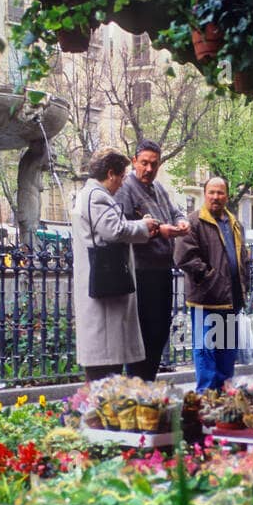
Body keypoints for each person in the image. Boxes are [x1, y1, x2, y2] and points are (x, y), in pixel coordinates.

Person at [70, 147, 179, 382]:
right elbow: (114, 230)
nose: (122, 183)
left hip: (109, 284)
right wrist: (145, 226)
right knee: (104, 369)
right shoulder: (96, 196)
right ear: (111, 174)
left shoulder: (93, 195)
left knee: (110, 364)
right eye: (121, 176)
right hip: (105, 287)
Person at [114, 139, 191, 380]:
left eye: (154, 164)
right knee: (143, 334)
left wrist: (181, 221)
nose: (149, 169)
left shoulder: (158, 188)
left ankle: (148, 383)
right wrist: (159, 231)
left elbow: (175, 210)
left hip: (162, 271)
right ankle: (138, 386)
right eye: (144, 163)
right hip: (140, 273)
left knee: (159, 332)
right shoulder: (125, 189)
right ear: (134, 161)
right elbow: (120, 228)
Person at [174, 176, 252, 392]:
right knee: (206, 350)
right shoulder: (193, 222)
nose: (216, 197)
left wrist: (244, 283)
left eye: (220, 192)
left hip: (231, 299)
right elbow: (184, 257)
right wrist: (210, 277)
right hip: (206, 300)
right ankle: (206, 397)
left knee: (227, 351)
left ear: (227, 196)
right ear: (205, 194)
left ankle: (224, 396)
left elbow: (242, 258)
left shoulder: (235, 224)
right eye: (211, 192)